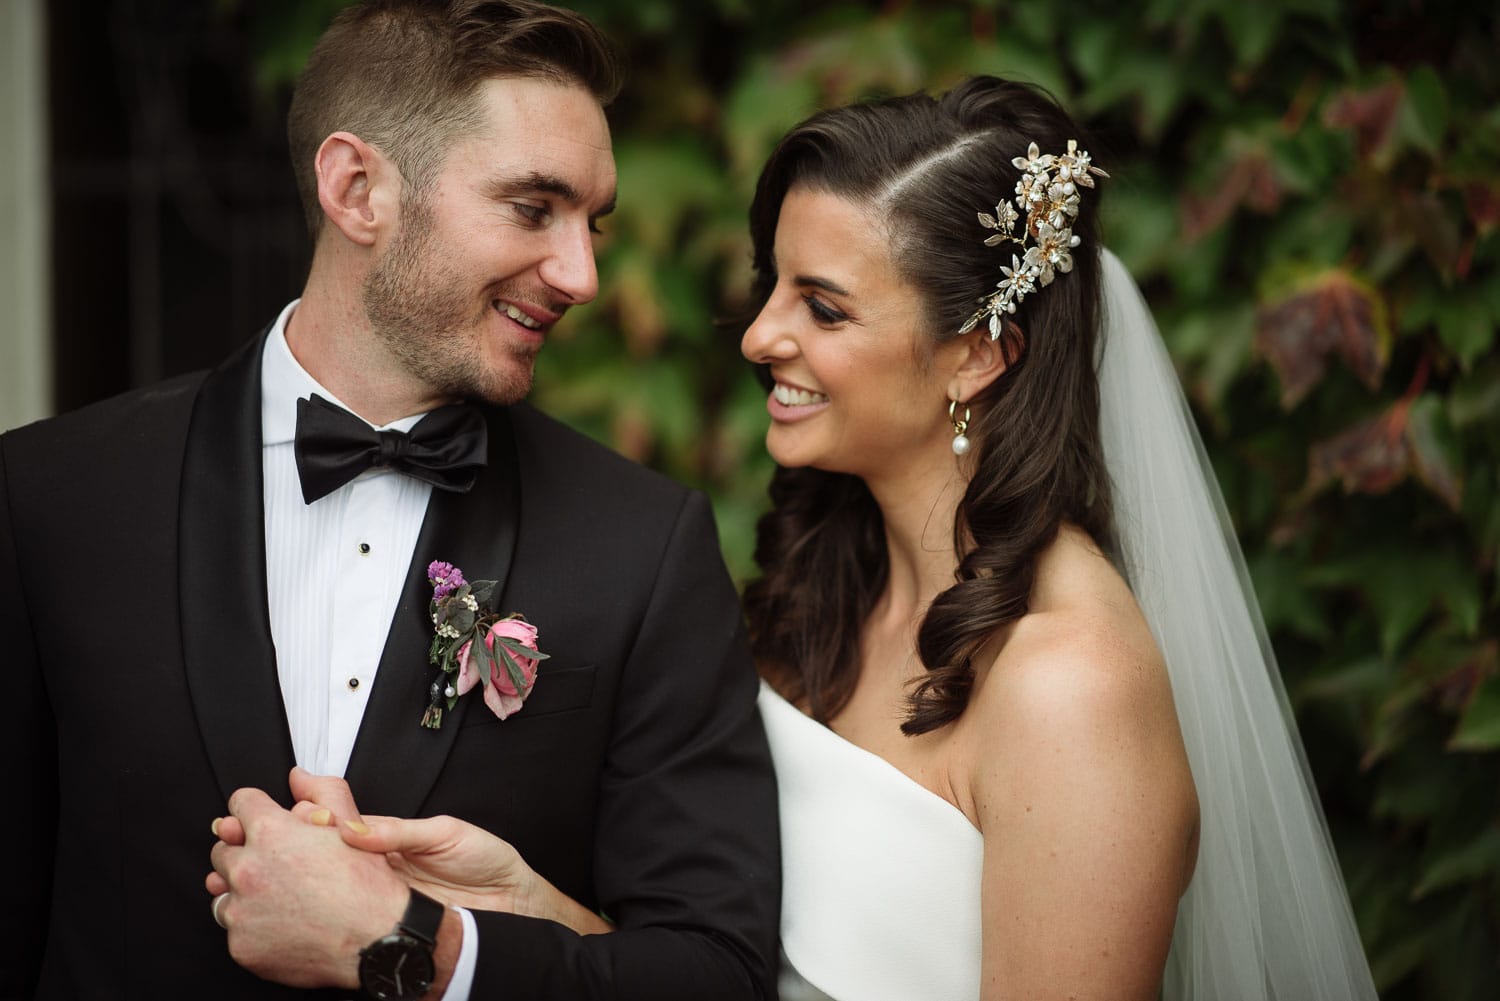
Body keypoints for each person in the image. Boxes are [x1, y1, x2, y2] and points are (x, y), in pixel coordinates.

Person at [290, 76, 1380, 1001]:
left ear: (977, 355)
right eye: (775, 284)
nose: (762, 333)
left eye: (824, 305)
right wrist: (518, 902)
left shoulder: (1067, 683)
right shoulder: (829, 588)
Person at [0, 1, 779, 998]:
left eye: (593, 222)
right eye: (534, 208)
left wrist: (427, 946)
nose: (582, 273)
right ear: (357, 187)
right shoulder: (52, 497)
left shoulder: (645, 543)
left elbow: (714, 971)